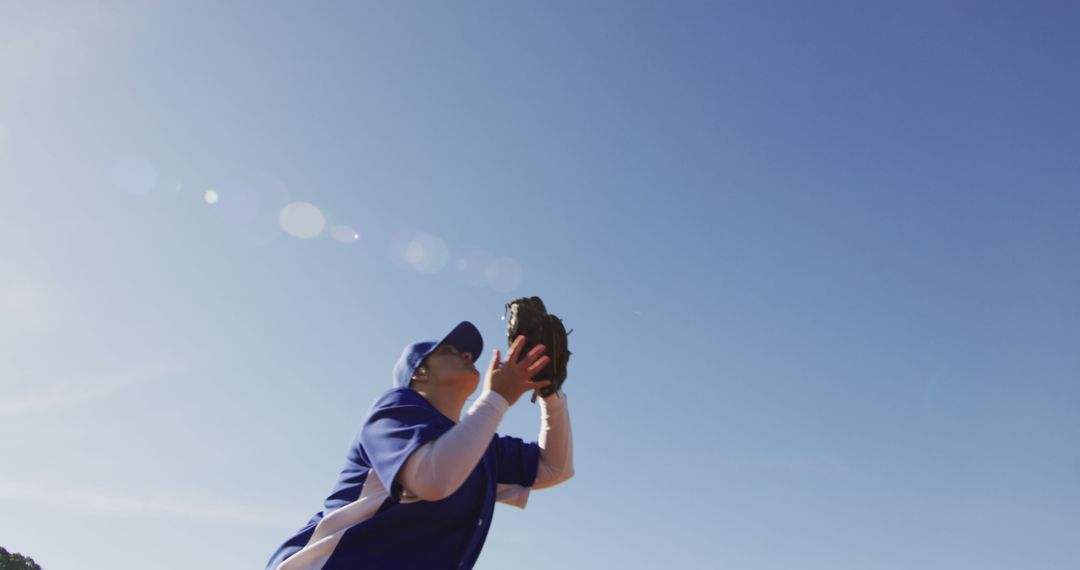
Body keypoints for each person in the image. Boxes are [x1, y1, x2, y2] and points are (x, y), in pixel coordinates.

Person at [266, 321, 575, 569]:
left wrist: (551, 392)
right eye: (451, 350)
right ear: (420, 372)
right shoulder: (397, 407)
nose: (468, 355)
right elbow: (432, 479)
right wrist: (497, 398)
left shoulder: (478, 444)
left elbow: (553, 468)